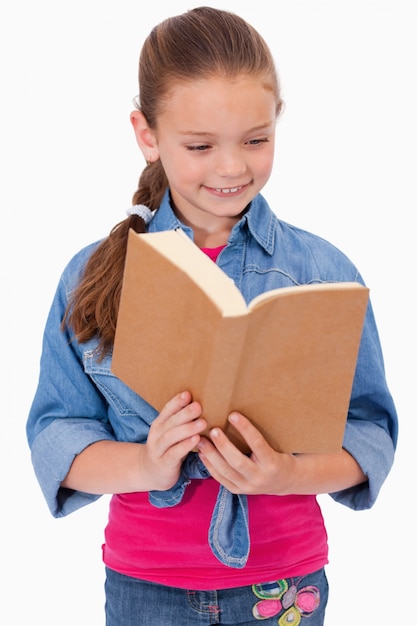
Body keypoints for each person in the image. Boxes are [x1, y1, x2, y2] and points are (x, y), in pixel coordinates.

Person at [26, 6, 398, 625]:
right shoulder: (92, 276)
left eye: (256, 140)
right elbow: (58, 435)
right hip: (146, 582)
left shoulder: (324, 271)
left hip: (283, 581)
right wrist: (148, 462)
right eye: (200, 146)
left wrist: (286, 474)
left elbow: (369, 432)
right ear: (147, 134)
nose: (232, 168)